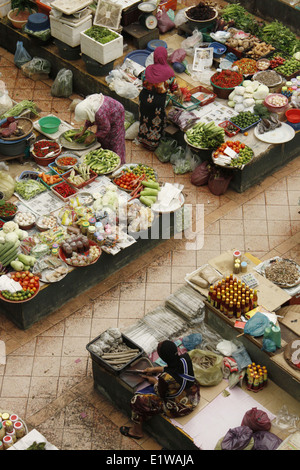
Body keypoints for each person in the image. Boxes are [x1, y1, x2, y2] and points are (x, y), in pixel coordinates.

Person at [120, 340, 200, 440]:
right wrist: (154, 369)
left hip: (180, 407)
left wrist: (154, 381)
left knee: (137, 401)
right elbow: (173, 368)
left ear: (163, 358)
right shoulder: (185, 358)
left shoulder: (165, 378)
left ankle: (136, 432)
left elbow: (160, 393)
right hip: (193, 397)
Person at [138, 47, 181, 151]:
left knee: (144, 118)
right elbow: (174, 89)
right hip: (157, 101)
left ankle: (143, 139)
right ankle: (152, 143)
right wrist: (179, 93)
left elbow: (143, 80)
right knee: (156, 121)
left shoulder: (147, 70)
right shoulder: (169, 73)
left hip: (144, 98)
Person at [74, 93, 126, 163]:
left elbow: (106, 129)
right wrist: (82, 132)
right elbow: (89, 118)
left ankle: (119, 163)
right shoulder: (88, 107)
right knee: (103, 138)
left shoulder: (99, 113)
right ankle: (105, 155)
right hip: (107, 112)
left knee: (115, 139)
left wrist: (92, 136)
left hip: (117, 113)